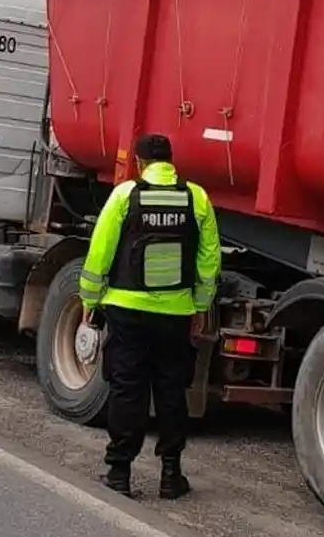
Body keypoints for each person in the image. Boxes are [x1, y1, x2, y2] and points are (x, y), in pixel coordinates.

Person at [78, 133, 221, 499]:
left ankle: (119, 473)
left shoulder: (125, 195)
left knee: (127, 389)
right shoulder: (196, 198)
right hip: (175, 313)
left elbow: (100, 252)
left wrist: (89, 299)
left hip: (127, 310)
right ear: (171, 162)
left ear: (139, 163)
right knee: (172, 391)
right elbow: (209, 260)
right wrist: (200, 306)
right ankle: (171, 475)